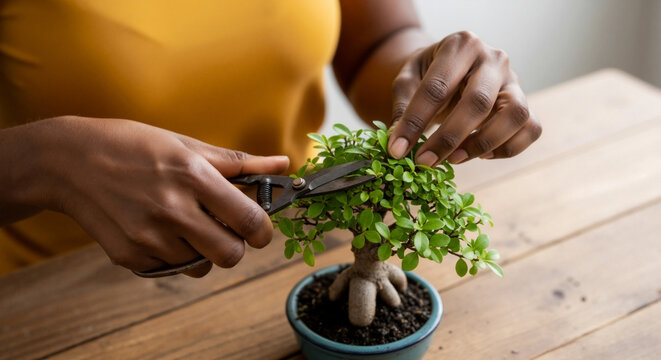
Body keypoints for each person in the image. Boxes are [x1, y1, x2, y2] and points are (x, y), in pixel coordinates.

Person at [0, 0, 541, 277]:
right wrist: (49, 160)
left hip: (281, 243)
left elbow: (376, 40)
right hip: (47, 292)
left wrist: (435, 82)